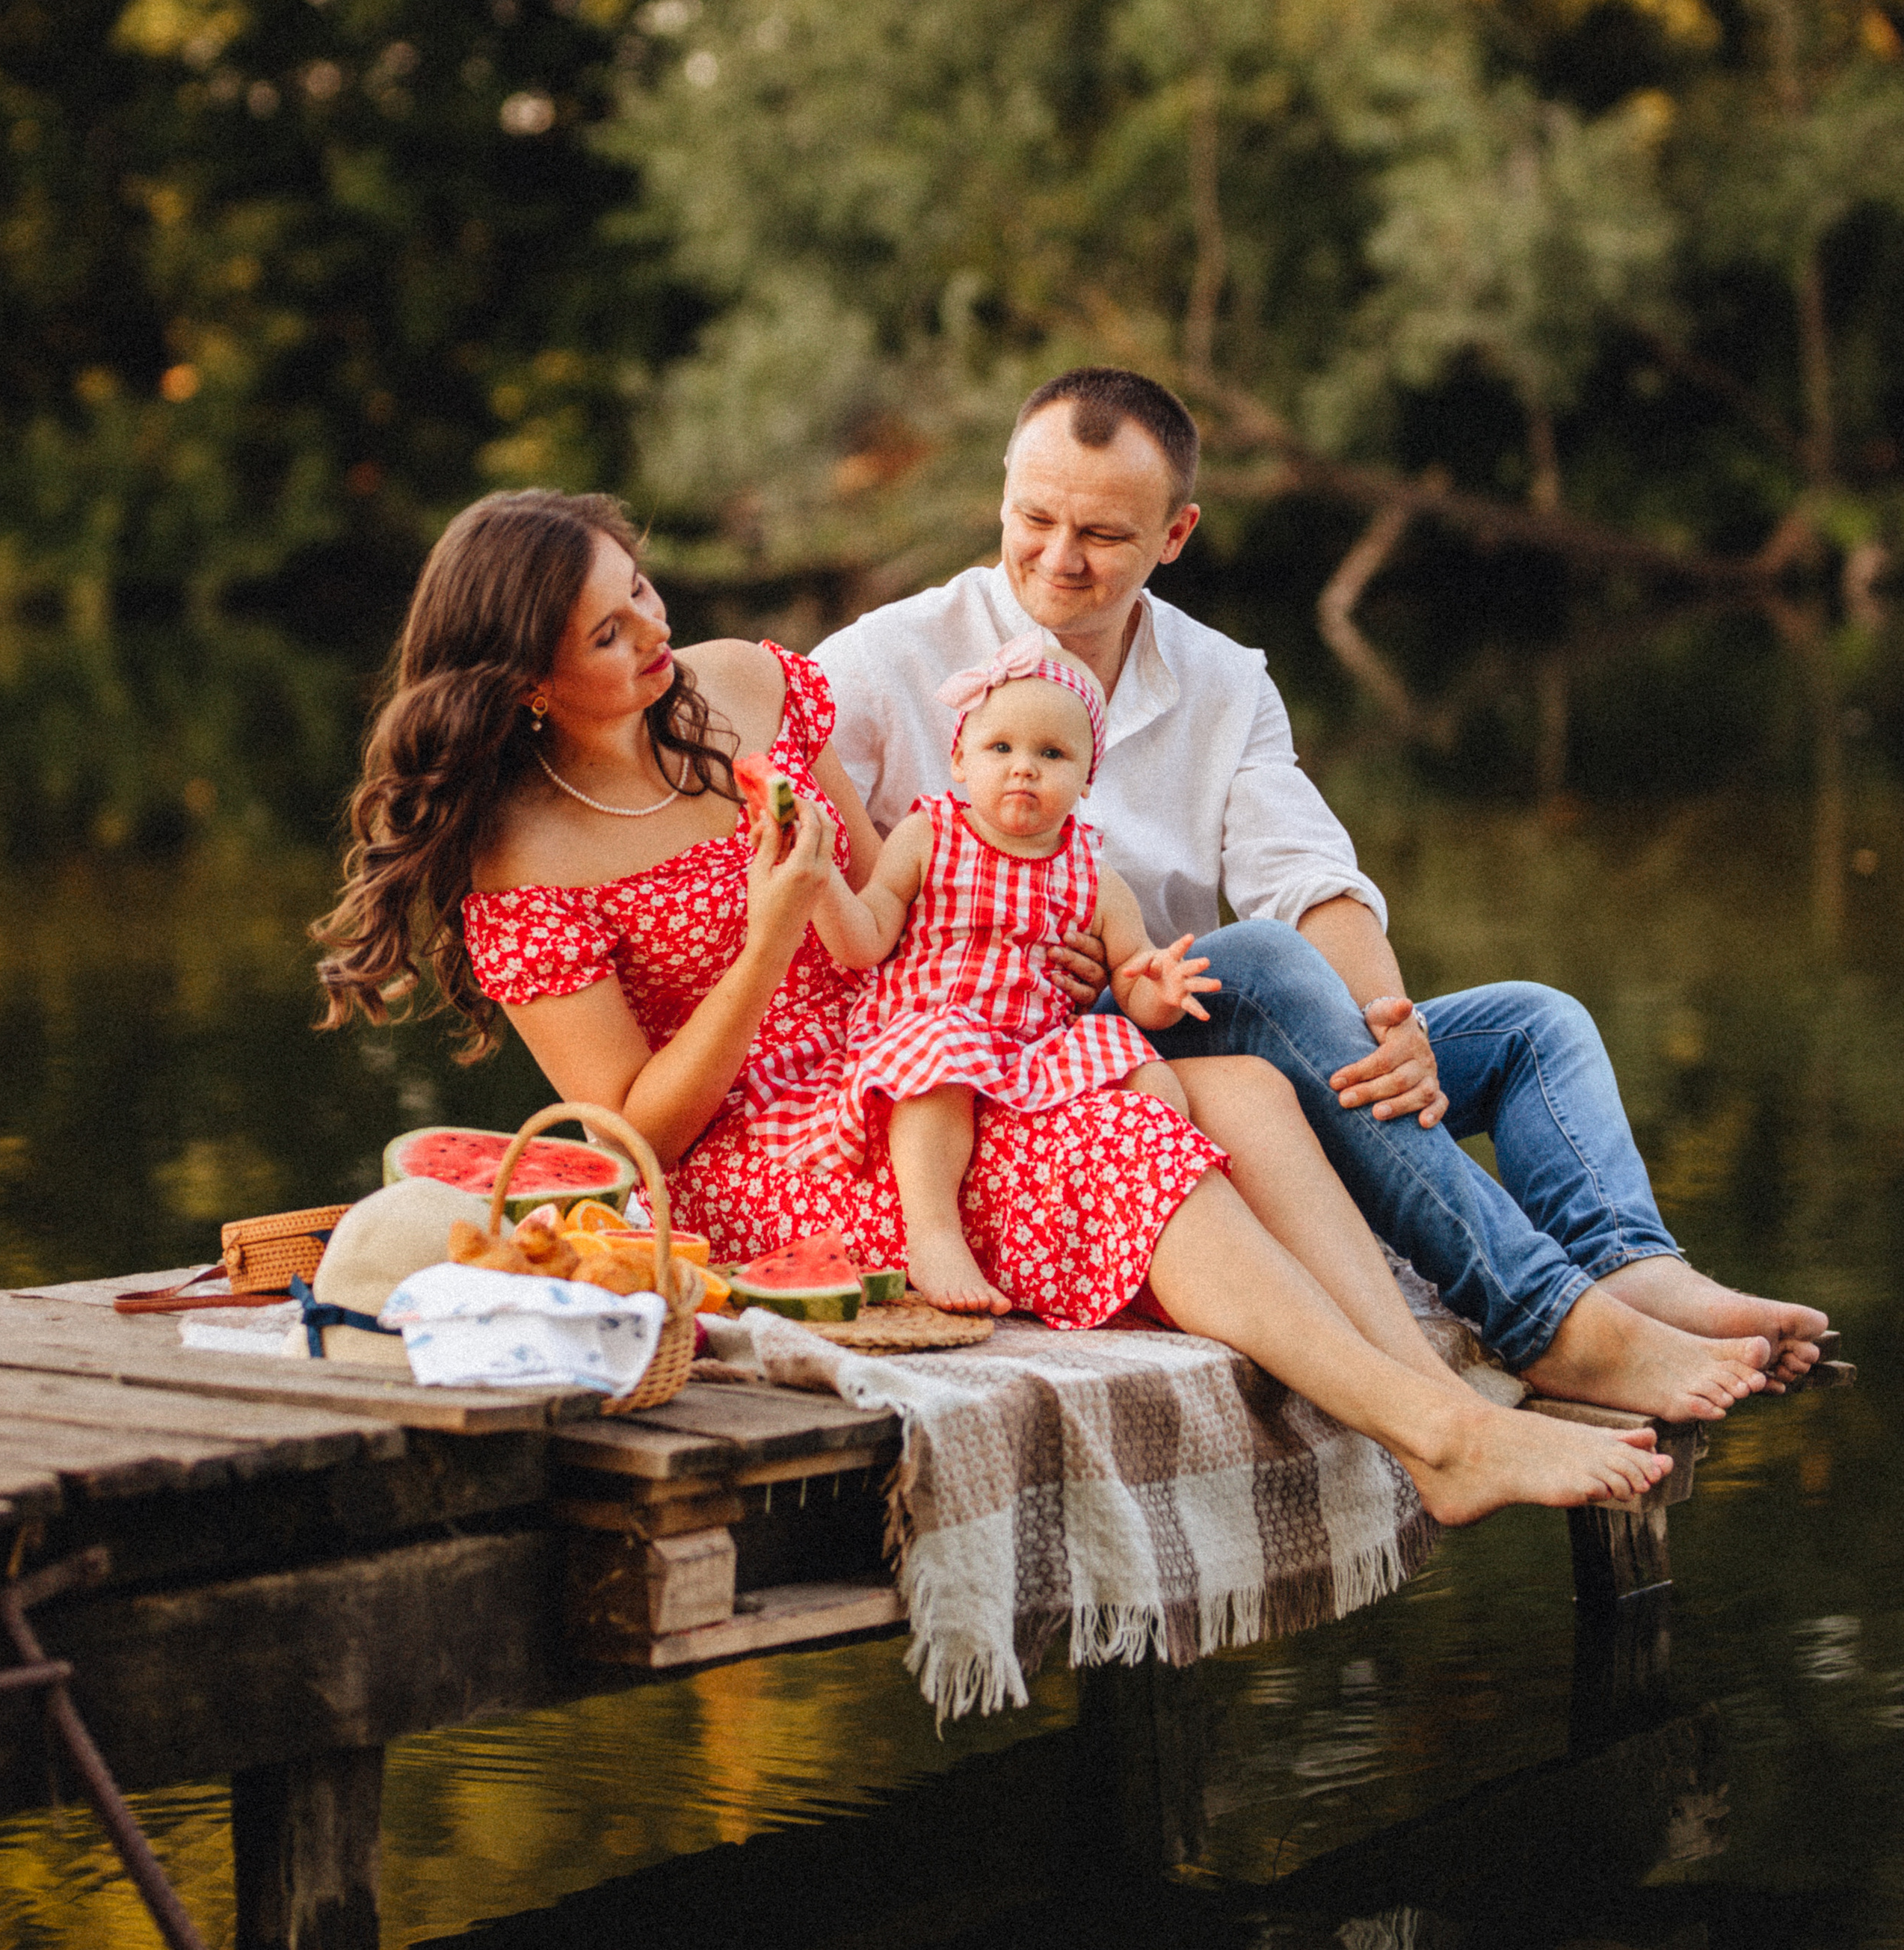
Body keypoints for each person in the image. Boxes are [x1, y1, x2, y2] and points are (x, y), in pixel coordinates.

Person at [312, 485, 1673, 1525]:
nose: (657, 629)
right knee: (1119, 1144)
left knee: (1248, 1088)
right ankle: (1443, 1439)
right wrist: (765, 934)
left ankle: (1435, 1410)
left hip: (907, 1034)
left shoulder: (745, 685)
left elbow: (888, 910)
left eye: (645, 590)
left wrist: (1057, 958)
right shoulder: (522, 863)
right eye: (610, 632)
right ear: (529, 683)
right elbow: (629, 1136)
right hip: (758, 1148)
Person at [814, 367, 1828, 1418]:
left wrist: (1386, 1020)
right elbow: (772, 812)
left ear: (1176, 535)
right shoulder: (890, 658)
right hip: (1019, 1057)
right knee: (1253, 964)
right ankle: (1548, 1322)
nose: (1058, 559)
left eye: (1104, 536)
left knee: (1534, 1022)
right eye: (1034, 518)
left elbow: (1303, 873)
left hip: (1193, 1016)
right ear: (1004, 499)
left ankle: (1628, 1267)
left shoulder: (1224, 679)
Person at [804, 635, 1221, 1315]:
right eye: (1001, 749)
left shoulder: (1095, 876)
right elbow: (866, 941)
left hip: (1030, 1047)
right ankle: (932, 1232)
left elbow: (1135, 985)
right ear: (960, 758)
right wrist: (821, 882)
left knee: (1149, 1071)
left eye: (1051, 754)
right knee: (940, 1061)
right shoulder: (929, 836)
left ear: (1088, 778)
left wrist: (1161, 990)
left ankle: (1148, 1216)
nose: (1023, 769)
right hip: (930, 1026)